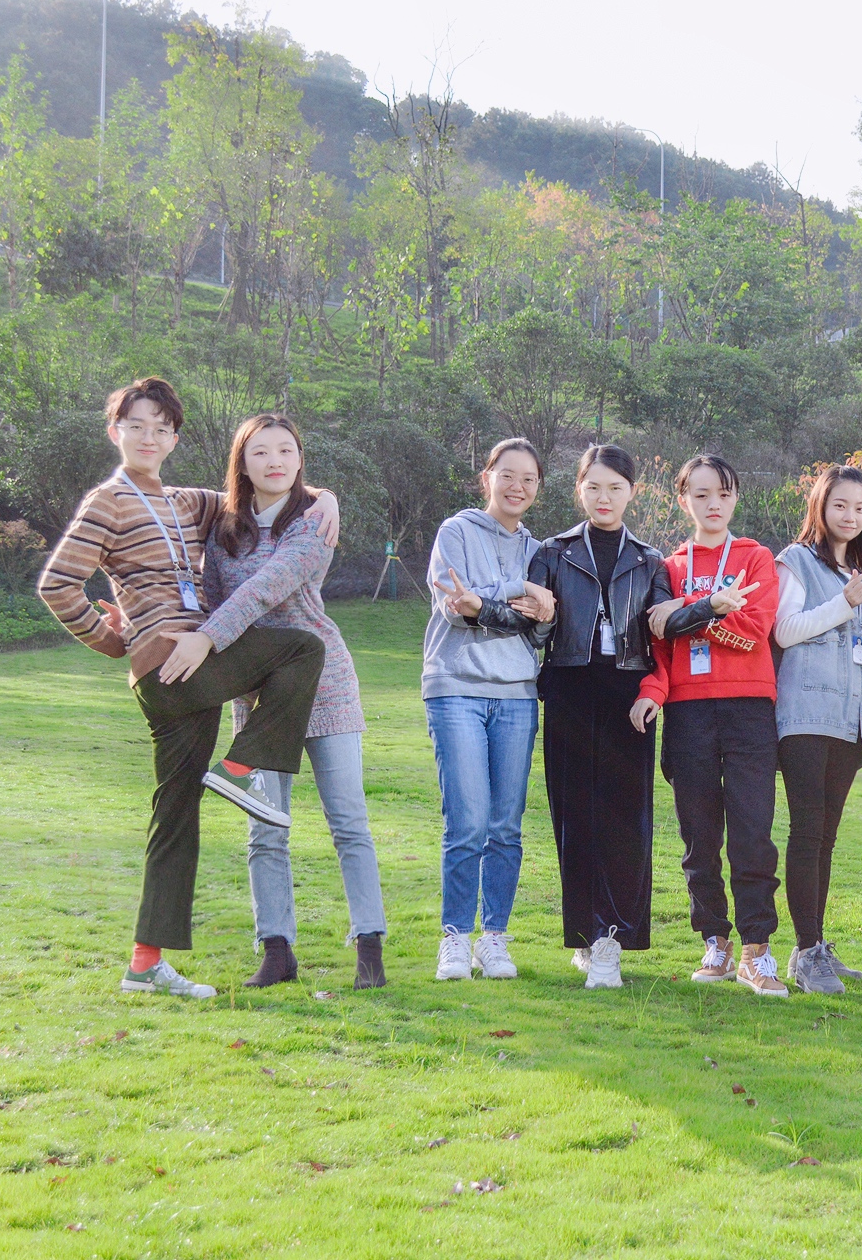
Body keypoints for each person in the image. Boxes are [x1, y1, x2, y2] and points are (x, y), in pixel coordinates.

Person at [37, 377, 339, 999]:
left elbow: (260, 486)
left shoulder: (189, 502)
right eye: (136, 426)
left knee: (174, 814)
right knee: (304, 648)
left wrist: (324, 497)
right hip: (169, 664)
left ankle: (145, 964)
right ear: (115, 432)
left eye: (161, 428)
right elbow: (58, 585)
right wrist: (112, 641)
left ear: (174, 438)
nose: (149, 437)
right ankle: (241, 767)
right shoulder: (107, 502)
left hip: (196, 667)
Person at [192, 413, 388, 991]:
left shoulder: (313, 520)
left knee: (348, 821)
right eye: (260, 452)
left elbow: (266, 588)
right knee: (265, 829)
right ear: (242, 463)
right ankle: (276, 951)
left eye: (286, 450)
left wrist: (207, 639)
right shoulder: (223, 529)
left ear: (300, 459)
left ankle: (370, 948)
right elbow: (212, 599)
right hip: (258, 698)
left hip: (325, 685)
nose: (274, 461)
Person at [633, 454, 788, 997]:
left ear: (736, 497)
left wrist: (691, 611)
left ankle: (756, 949)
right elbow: (659, 638)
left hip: (749, 709)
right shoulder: (666, 566)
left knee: (752, 832)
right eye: (700, 495)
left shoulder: (756, 557)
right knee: (698, 835)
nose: (713, 504)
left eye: (722, 493)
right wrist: (653, 692)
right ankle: (715, 942)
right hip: (688, 711)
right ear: (684, 501)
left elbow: (754, 627)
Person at [527, 444, 673, 991]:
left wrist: (700, 609)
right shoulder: (552, 552)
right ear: (579, 490)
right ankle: (586, 936)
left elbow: (666, 629)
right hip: (569, 689)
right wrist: (540, 617)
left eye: (615, 487)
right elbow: (534, 629)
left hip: (629, 697)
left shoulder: (650, 560)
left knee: (625, 819)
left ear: (633, 491)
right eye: (593, 487)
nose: (603, 498)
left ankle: (613, 939)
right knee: (574, 818)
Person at [423, 438, 556, 984]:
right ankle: (455, 937)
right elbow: (455, 607)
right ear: (487, 478)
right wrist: (517, 591)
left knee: (505, 825)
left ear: (538, 487)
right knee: (468, 821)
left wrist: (536, 611)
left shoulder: (542, 551)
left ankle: (494, 937)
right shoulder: (455, 532)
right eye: (507, 475)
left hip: (518, 693)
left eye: (528, 478)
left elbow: (540, 629)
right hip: (456, 687)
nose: (517, 487)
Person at [772, 465, 862, 995]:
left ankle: (814, 945)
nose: (850, 516)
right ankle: (806, 953)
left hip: (850, 723)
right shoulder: (796, 561)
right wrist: (841, 604)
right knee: (807, 831)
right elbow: (784, 630)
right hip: (805, 718)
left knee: (826, 836)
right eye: (840, 505)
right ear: (820, 507)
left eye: (860, 508)